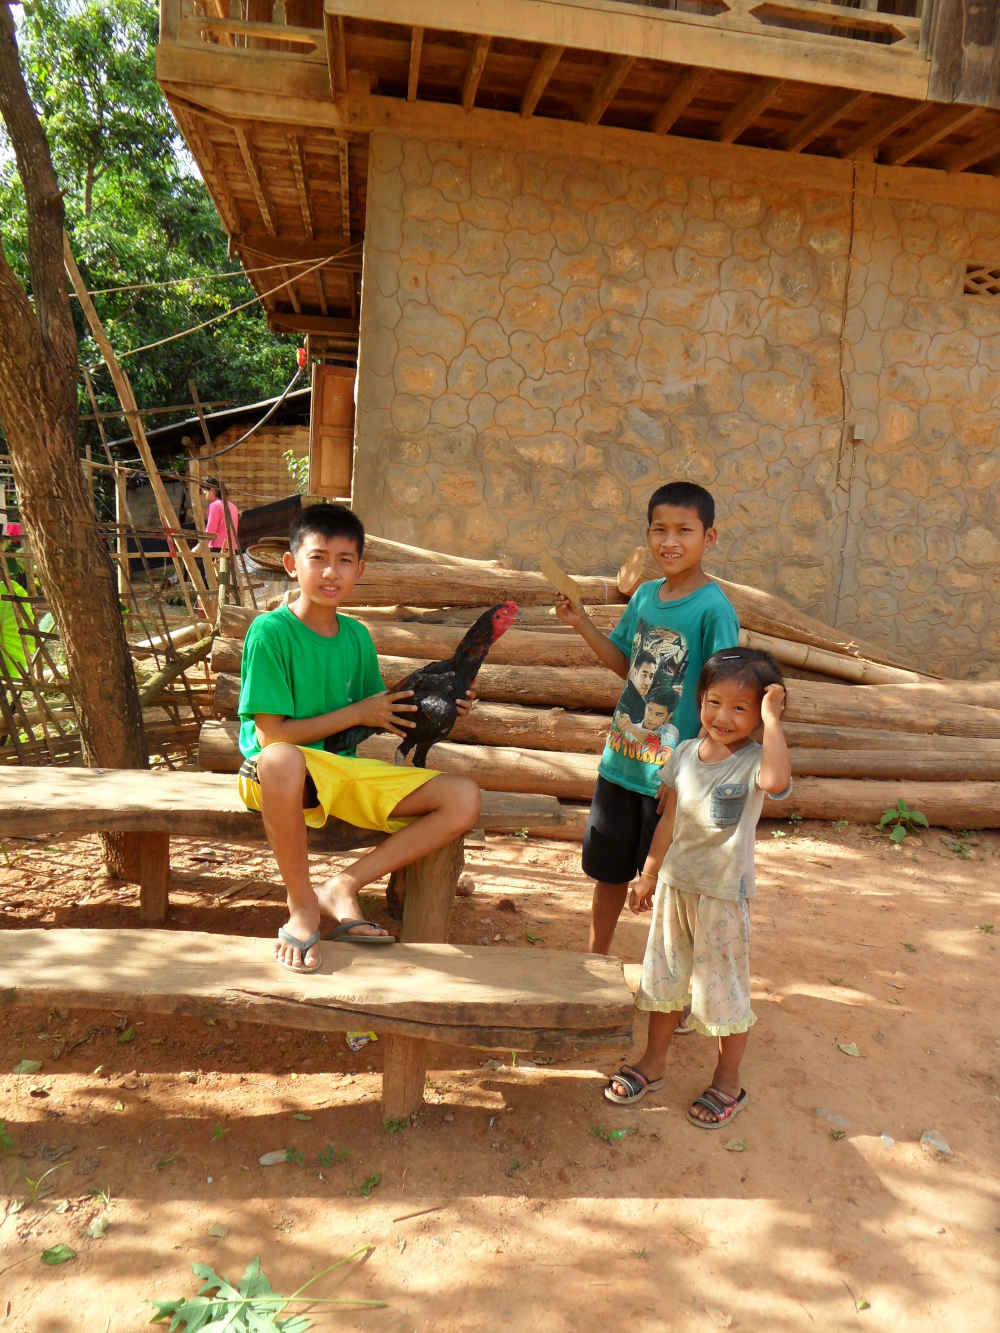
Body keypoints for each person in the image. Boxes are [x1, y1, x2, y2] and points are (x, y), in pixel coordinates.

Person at [237, 502, 481, 973]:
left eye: (345, 560)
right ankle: (303, 906)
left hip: (338, 774)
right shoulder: (270, 632)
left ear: (360, 569)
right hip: (276, 777)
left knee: (463, 797)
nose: (332, 571)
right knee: (284, 759)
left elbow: (377, 718)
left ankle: (343, 886)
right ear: (292, 564)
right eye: (319, 557)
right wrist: (360, 710)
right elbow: (271, 738)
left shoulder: (356, 636)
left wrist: (440, 706)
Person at [603, 648, 792, 1126]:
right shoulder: (686, 753)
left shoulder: (755, 761)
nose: (722, 716)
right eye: (713, 702)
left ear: (763, 710)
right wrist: (648, 873)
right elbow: (670, 819)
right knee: (664, 980)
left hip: (724, 895)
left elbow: (775, 779)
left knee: (723, 988)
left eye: (741, 707)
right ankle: (653, 1063)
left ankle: (729, 1081)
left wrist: (772, 722)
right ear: (699, 700)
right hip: (675, 887)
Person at [556, 481, 739, 955]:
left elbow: (725, 696)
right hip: (622, 761)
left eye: (684, 530)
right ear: (647, 534)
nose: (669, 541)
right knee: (609, 873)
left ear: (709, 538)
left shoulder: (714, 609)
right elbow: (624, 663)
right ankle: (596, 961)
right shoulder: (644, 597)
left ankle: (674, 993)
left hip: (671, 777)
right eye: (660, 530)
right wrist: (581, 625)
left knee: (671, 886)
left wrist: (689, 773)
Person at [202, 477, 240, 553]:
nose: (204, 495)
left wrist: (199, 547)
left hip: (218, 548)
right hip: (233, 549)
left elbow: (211, 531)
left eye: (205, 492)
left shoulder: (215, 505)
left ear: (212, 490)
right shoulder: (233, 506)